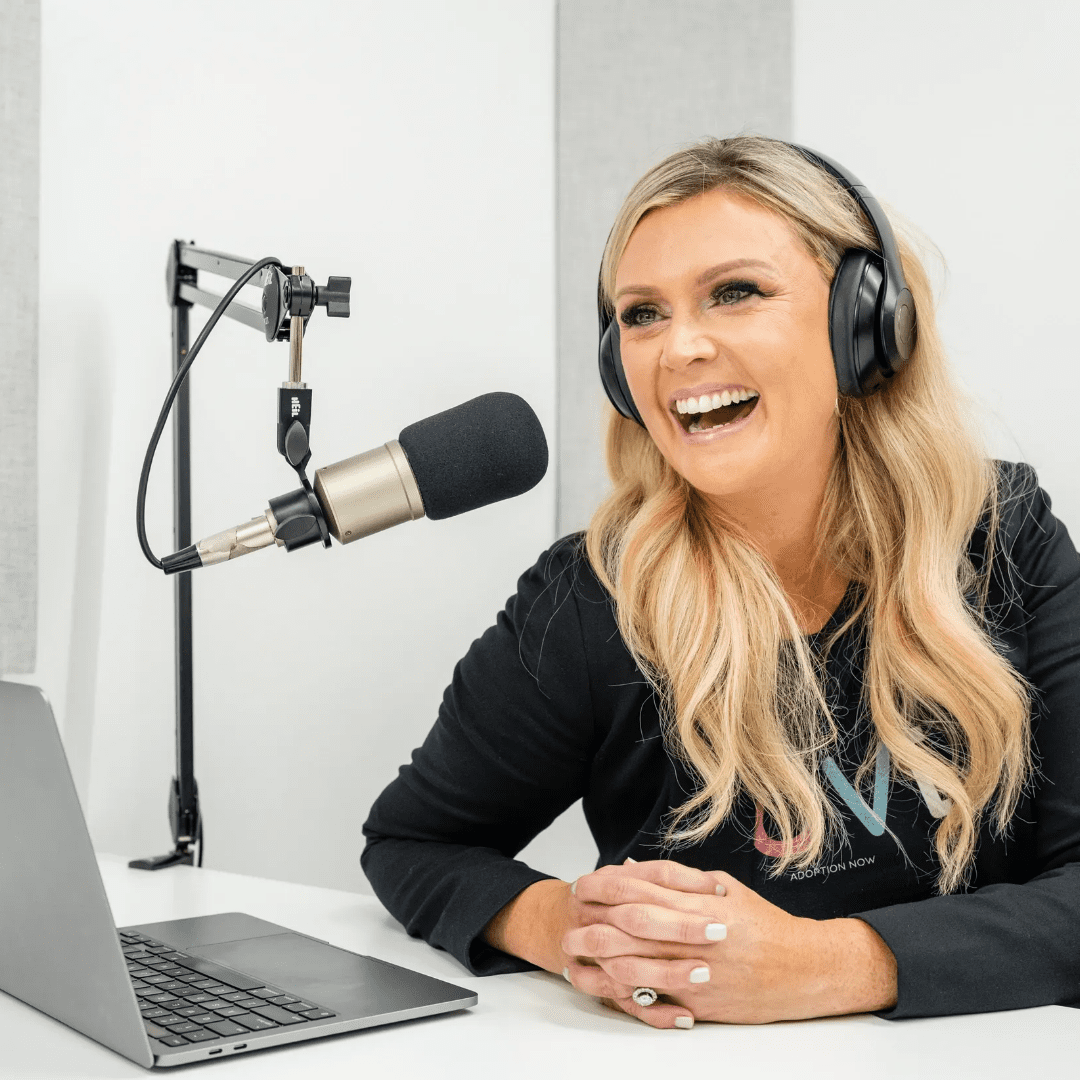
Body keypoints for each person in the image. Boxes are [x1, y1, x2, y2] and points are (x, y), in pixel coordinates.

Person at [361, 136, 1080, 1029]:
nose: (680, 348)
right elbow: (414, 842)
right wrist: (566, 925)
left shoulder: (1005, 535)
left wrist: (834, 964)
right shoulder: (594, 595)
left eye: (735, 293)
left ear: (866, 322)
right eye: (641, 314)